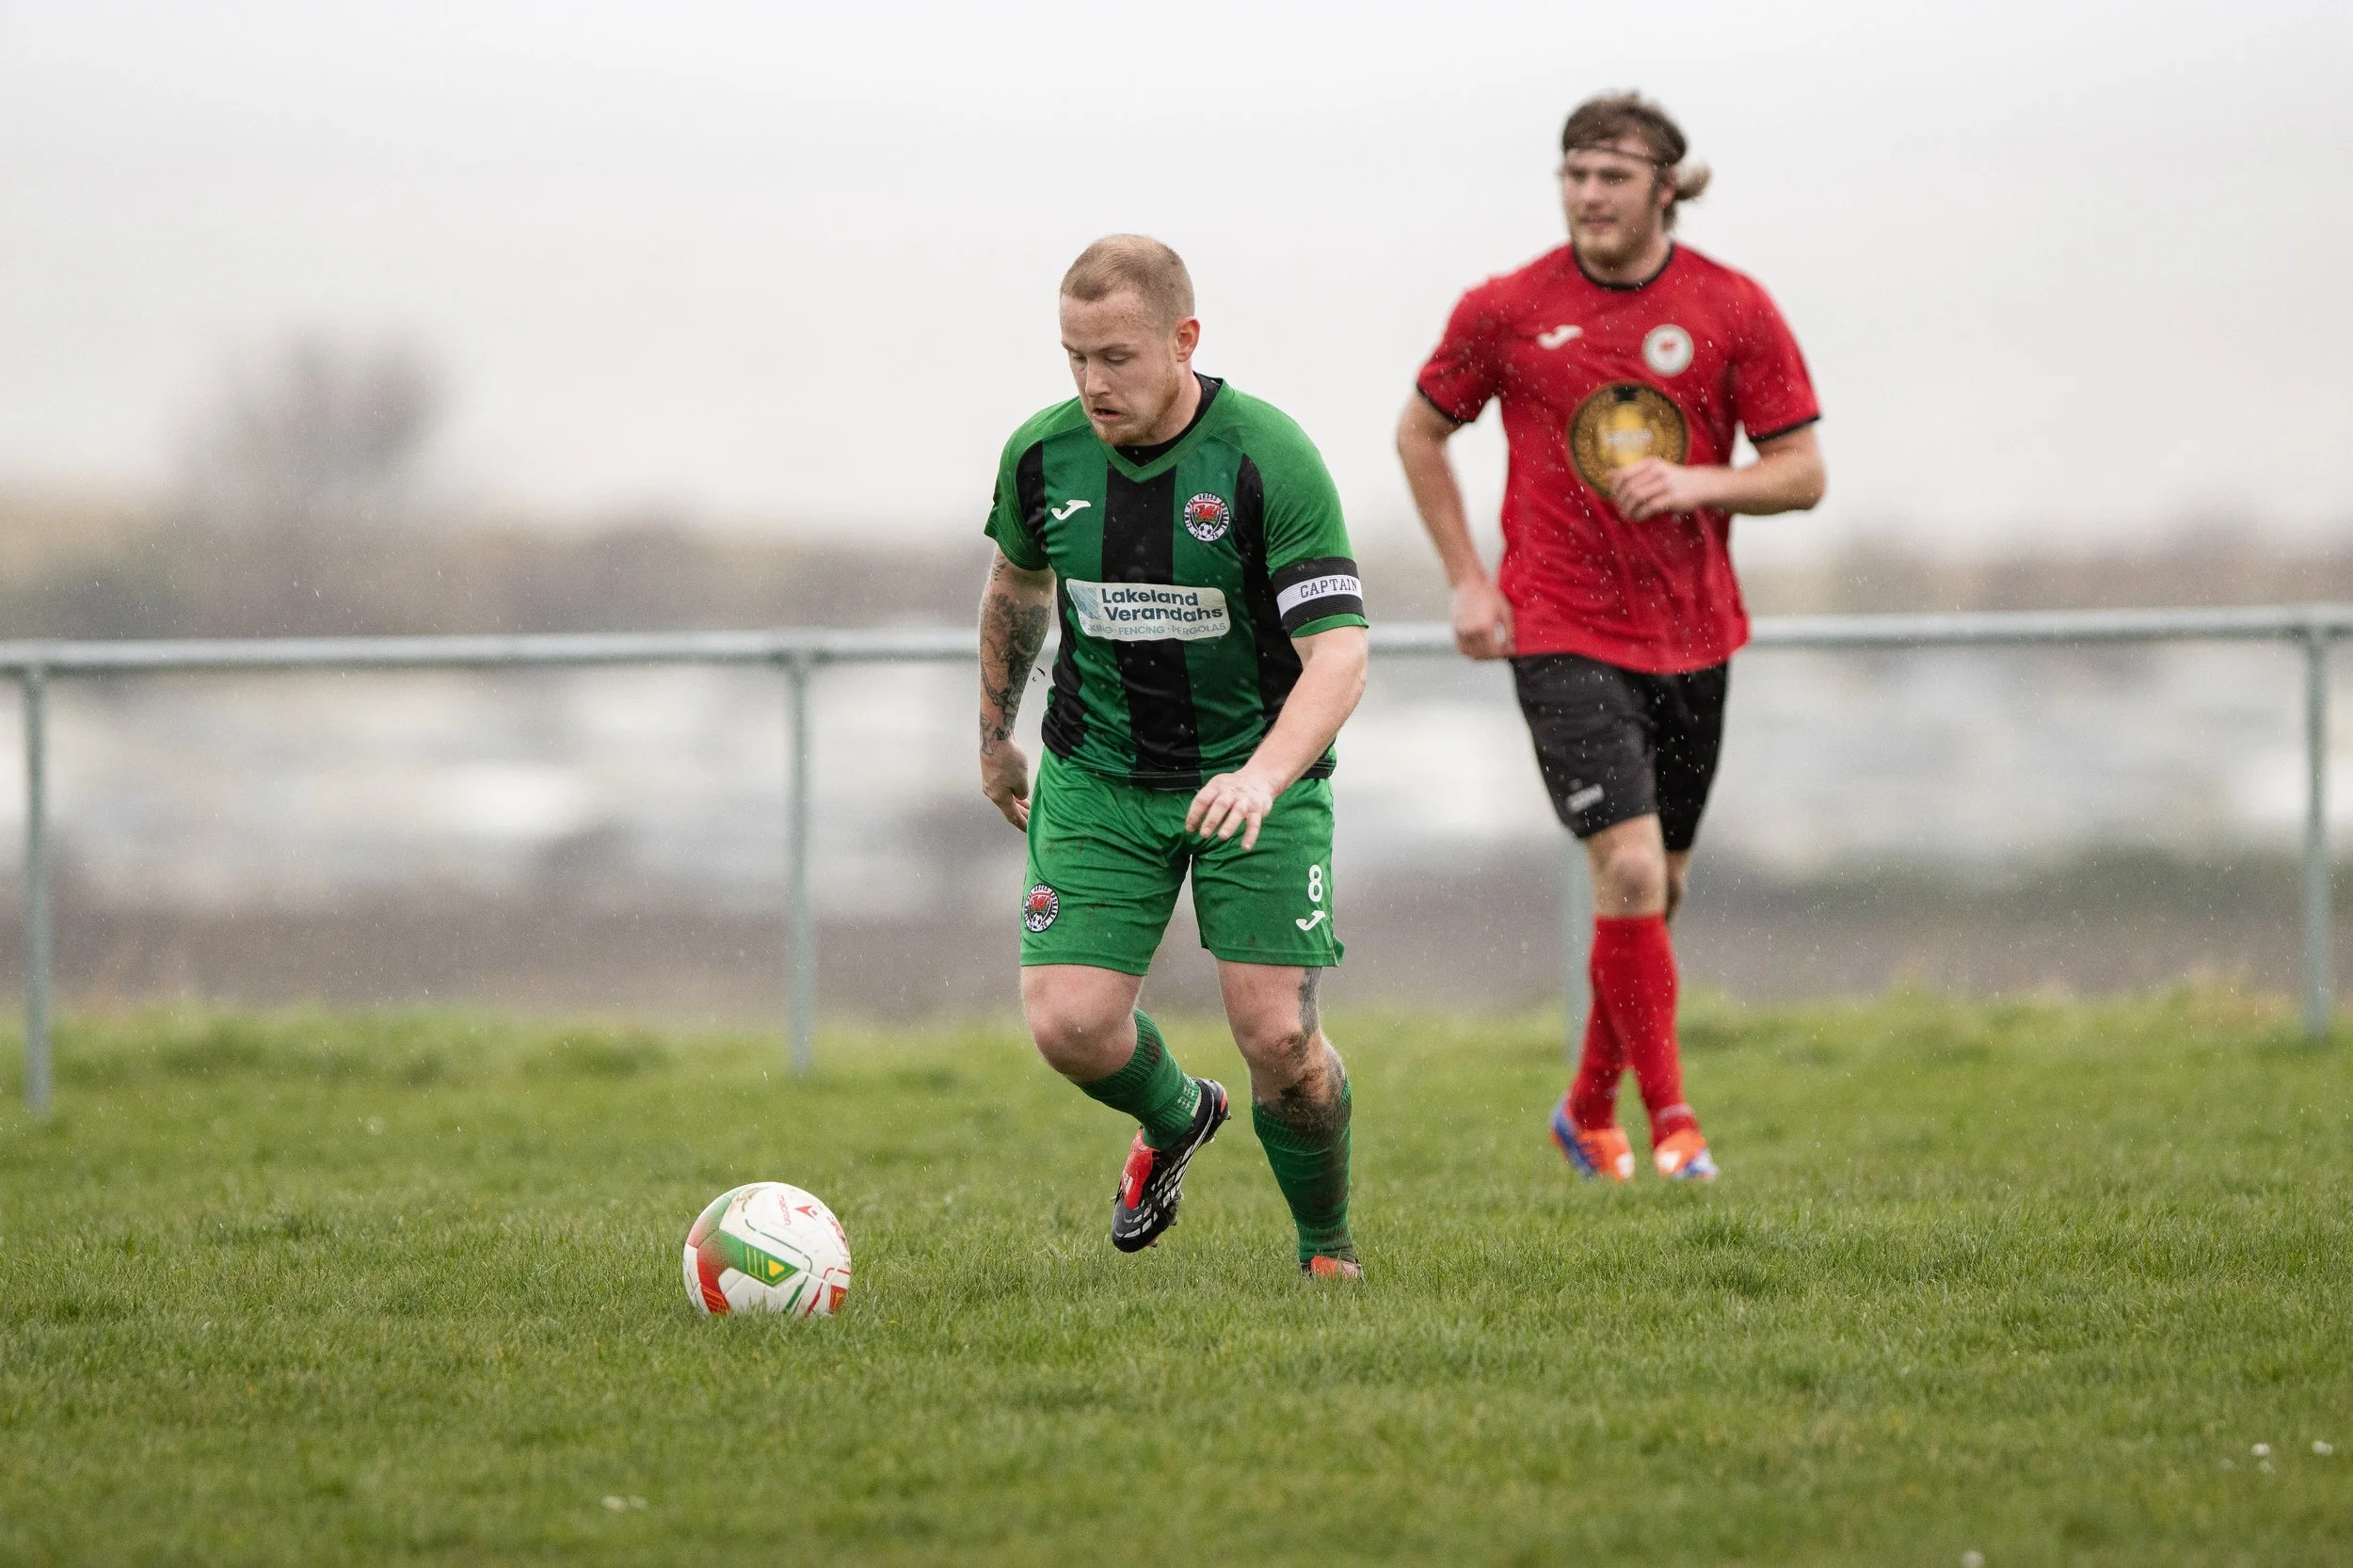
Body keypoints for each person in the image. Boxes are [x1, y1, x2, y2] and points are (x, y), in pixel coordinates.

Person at [1396, 93, 1826, 1182]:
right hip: (1560, 627)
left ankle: (1585, 1108)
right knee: (1628, 868)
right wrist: (1465, 583)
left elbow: (1803, 472)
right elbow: (1419, 433)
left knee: (1656, 890)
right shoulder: (1505, 308)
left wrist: (1699, 480)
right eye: (1574, 174)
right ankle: (1674, 1126)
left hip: (1695, 637)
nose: (1588, 195)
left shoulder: (1733, 309)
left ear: (1665, 189)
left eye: (1613, 177)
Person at [977, 234, 1372, 1277]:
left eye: (1117, 357)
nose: (1092, 382)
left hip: (1254, 777)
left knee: (1280, 1043)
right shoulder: (1040, 455)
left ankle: (1325, 1252)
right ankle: (1178, 1112)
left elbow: (1337, 654)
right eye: (1074, 356)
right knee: (1068, 1023)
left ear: (1183, 339)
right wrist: (995, 741)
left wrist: (1261, 776)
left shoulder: (1267, 458)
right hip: (1098, 772)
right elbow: (1016, 586)